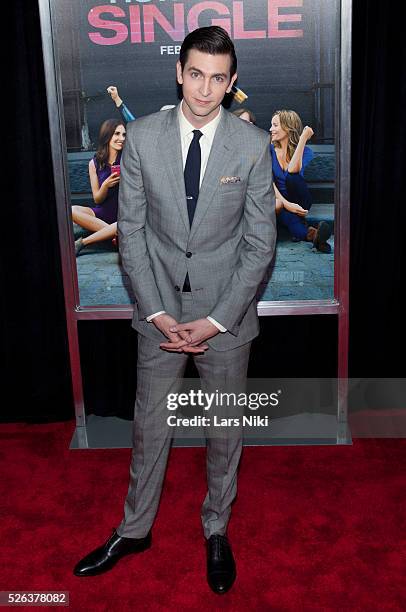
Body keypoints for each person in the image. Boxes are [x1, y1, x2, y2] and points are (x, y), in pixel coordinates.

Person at [73, 26, 276, 594]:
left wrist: (215, 320)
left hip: (225, 318)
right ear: (178, 72)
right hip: (157, 313)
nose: (204, 89)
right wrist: (158, 311)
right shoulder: (140, 138)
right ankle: (135, 530)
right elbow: (131, 233)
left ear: (232, 82)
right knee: (150, 426)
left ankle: (216, 529)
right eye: (195, 74)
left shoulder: (252, 145)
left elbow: (261, 244)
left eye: (218, 78)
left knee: (223, 429)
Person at [270, 109, 332, 253]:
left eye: (275, 125)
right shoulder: (268, 150)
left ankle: (308, 230)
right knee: (290, 220)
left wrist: (303, 139)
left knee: (292, 177)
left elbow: (293, 171)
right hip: (280, 200)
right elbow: (269, 183)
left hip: (301, 199)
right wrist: (287, 205)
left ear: (288, 127)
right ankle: (315, 236)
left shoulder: (307, 151)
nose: (271, 129)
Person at [73, 119, 125, 256]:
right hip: (103, 213)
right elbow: (97, 199)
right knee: (72, 210)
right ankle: (114, 235)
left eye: (124, 135)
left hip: (125, 213)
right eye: (117, 134)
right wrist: (106, 185)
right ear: (107, 136)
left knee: (125, 223)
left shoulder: (129, 158)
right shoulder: (94, 163)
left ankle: (83, 242)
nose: (121, 138)